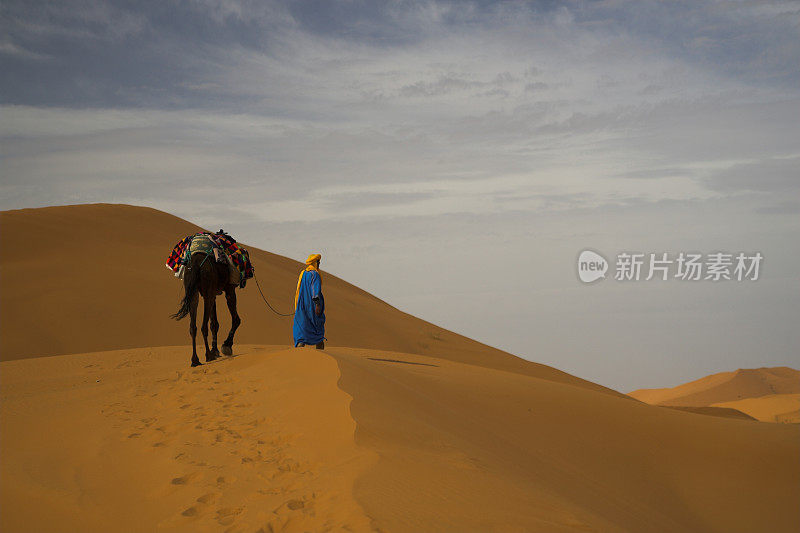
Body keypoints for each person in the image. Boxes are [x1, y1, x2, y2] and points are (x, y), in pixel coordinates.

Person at [293, 253, 325, 349]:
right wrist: (318, 305)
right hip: (312, 306)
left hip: (302, 305)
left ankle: (299, 350)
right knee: (317, 328)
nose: (319, 264)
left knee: (302, 326)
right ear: (315, 263)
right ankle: (320, 354)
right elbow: (315, 291)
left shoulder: (304, 273)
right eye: (318, 262)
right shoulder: (314, 274)